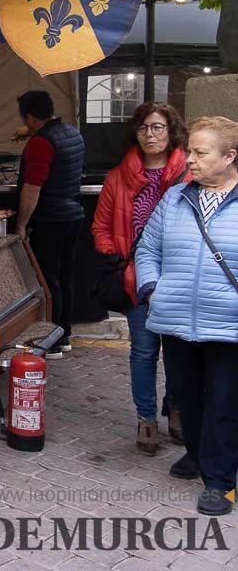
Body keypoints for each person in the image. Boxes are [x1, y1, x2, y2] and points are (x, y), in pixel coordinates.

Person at [135, 116, 238, 516]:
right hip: (176, 318)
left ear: (230, 157)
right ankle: (197, 453)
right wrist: (152, 288)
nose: (190, 160)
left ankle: (220, 481)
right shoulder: (175, 198)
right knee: (185, 395)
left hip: (228, 324)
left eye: (200, 152)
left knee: (225, 400)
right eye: (190, 151)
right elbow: (147, 250)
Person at [91, 102, 189, 455]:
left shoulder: (188, 175)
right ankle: (146, 417)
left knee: (179, 353)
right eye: (144, 127)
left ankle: (176, 407)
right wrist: (116, 256)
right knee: (144, 352)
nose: (150, 134)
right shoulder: (119, 176)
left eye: (158, 127)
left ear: (171, 131)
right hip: (135, 279)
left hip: (180, 279)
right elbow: (100, 225)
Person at [15, 90, 84, 358]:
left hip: (51, 219)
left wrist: (21, 224)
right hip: (74, 215)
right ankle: (64, 333)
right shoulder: (72, 133)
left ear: (30, 117)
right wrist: (31, 133)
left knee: (48, 280)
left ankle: (52, 341)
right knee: (65, 278)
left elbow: (33, 188)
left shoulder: (40, 144)